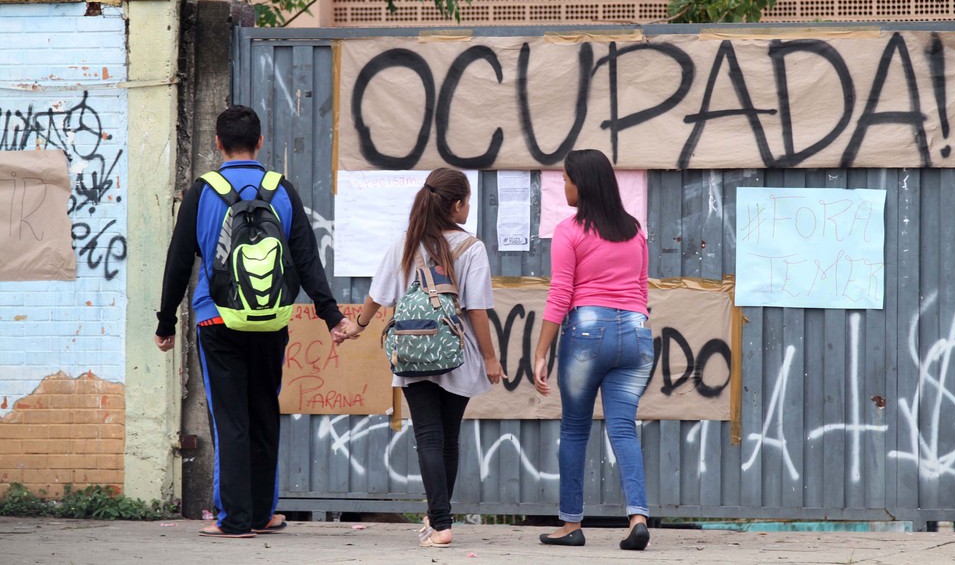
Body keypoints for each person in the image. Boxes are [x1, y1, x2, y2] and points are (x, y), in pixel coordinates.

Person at [154, 105, 353, 538]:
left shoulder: (203, 190)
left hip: (216, 321)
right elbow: (305, 258)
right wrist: (331, 315)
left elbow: (178, 262)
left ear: (218, 143)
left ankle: (235, 520)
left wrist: (166, 322)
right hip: (271, 321)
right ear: (260, 143)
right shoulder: (281, 188)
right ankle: (263, 512)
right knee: (264, 412)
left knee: (230, 420)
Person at [341, 168, 503, 548]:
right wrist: (491, 358)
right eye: (468, 202)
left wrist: (358, 327)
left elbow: (377, 295)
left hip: (412, 351)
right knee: (448, 439)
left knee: (428, 436)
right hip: (457, 354)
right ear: (458, 205)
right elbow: (476, 310)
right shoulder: (471, 248)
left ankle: (439, 521)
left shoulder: (406, 243)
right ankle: (440, 518)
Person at [532, 149, 652, 551]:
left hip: (587, 332)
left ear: (581, 184)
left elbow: (561, 293)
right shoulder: (634, 229)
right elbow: (641, 290)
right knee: (622, 428)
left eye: (566, 179)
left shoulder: (569, 231)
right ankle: (637, 517)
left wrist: (541, 350)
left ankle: (571, 524)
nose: (564, 186)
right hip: (636, 333)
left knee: (574, 429)